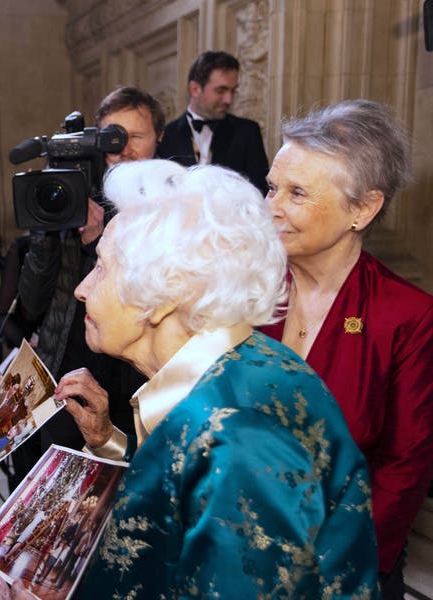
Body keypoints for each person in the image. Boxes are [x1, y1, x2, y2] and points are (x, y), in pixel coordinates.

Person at [0, 160, 378, 598]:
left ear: (160, 297)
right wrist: (109, 440)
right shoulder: (237, 367)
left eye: (101, 268)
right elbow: (179, 492)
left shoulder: (239, 440)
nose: (82, 289)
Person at [260, 99, 433, 599]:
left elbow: (404, 468)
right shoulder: (245, 291)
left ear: (362, 209)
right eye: (272, 186)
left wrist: (327, 565)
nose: (271, 206)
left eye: (296, 193)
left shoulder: (406, 316)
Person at [10, 86, 159, 484]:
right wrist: (45, 232)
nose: (123, 149)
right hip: (67, 370)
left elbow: (150, 297)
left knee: (125, 486)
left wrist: (97, 243)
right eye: (113, 138)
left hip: (133, 376)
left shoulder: (171, 209)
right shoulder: (72, 196)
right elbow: (32, 301)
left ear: (158, 139)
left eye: (135, 137)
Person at [157, 50, 269, 192]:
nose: (229, 99)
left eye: (233, 91)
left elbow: (260, 191)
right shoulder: (165, 136)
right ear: (195, 89)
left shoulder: (247, 132)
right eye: (221, 90)